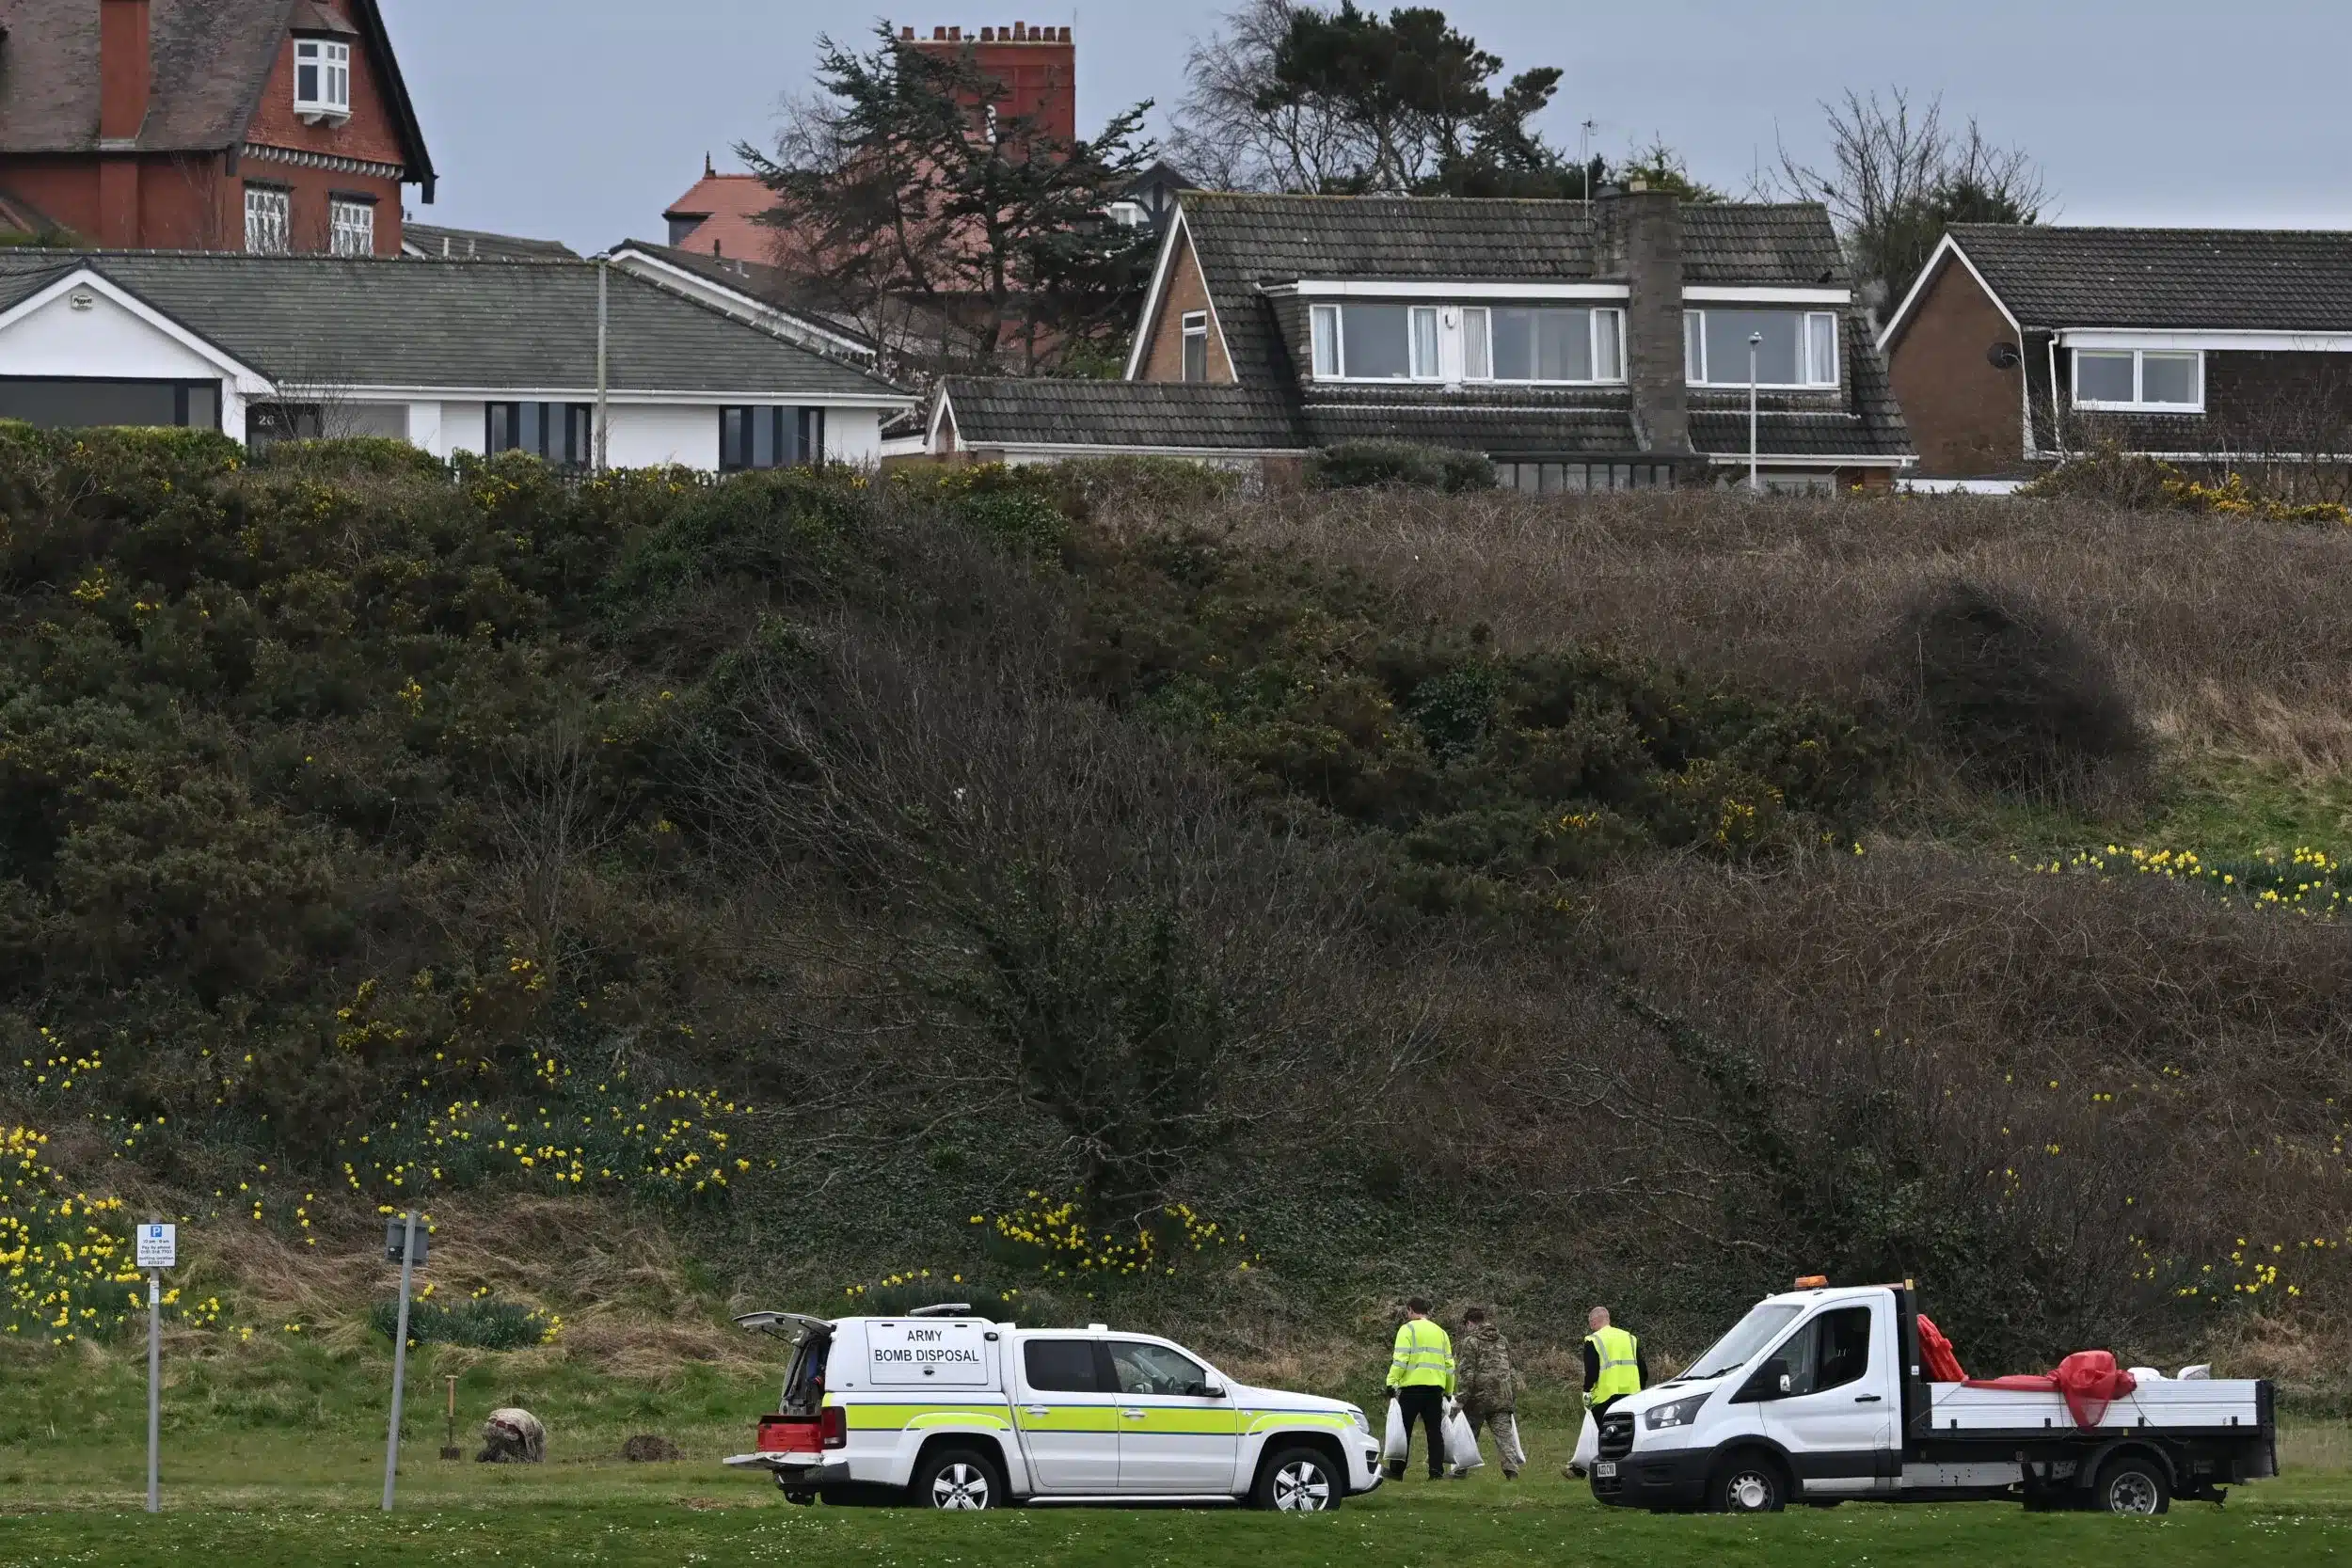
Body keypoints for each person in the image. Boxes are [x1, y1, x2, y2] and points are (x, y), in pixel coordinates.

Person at [1384, 1295, 1454, 1481]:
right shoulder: (1441, 1333)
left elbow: (1400, 1360)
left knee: (1404, 1429)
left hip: (1411, 1389)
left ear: (1410, 1310)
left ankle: (1397, 1471)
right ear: (1427, 1312)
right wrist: (1449, 1390)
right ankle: (1436, 1472)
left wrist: (1391, 1382)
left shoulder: (1407, 1330)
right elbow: (1449, 1365)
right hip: (1435, 1389)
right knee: (1434, 1432)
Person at [1452, 1305, 1525, 1480]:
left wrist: (1461, 1399)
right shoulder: (1502, 1340)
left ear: (1469, 1323)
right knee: (1504, 1437)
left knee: (1468, 1434)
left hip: (1478, 1398)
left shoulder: (1471, 1342)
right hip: (1502, 1397)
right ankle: (1511, 1472)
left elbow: (1467, 1373)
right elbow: (1510, 1367)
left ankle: (1460, 1470)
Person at [1582, 1306, 1648, 1416]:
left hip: (1605, 1400)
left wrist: (1587, 1390)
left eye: (1590, 1323)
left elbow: (1592, 1371)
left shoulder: (1593, 1339)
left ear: (1593, 1322)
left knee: (1605, 1431)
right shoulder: (1629, 1337)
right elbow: (1642, 1369)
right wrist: (1640, 1388)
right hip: (1631, 1398)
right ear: (1608, 1320)